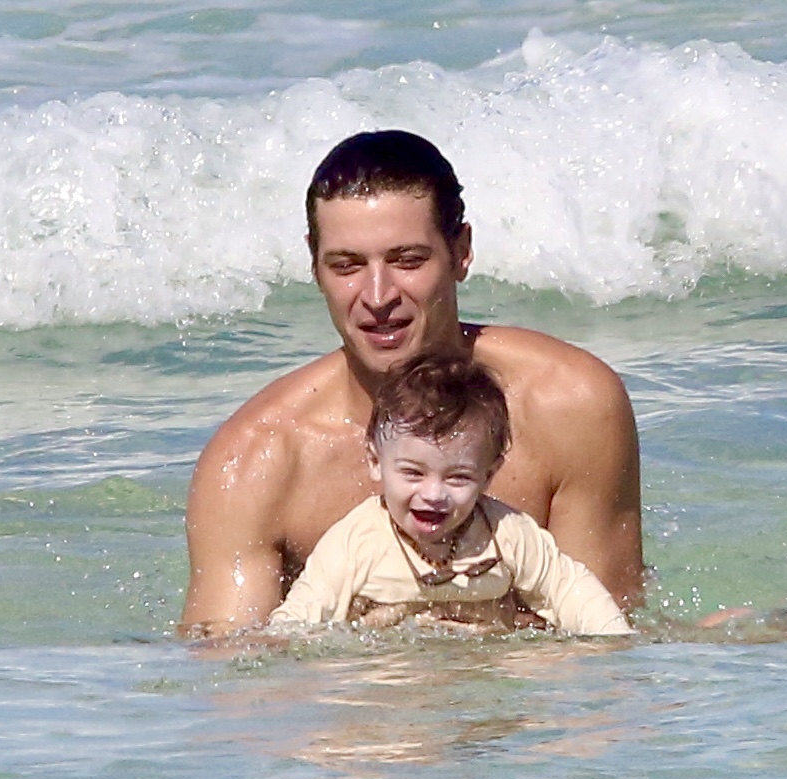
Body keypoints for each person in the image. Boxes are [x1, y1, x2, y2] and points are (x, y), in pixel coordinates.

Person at [180, 129, 642, 638]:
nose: (377, 295)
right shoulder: (257, 462)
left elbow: (607, 658)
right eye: (347, 265)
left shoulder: (570, 406)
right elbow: (231, 681)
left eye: (407, 261)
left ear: (461, 251)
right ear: (314, 264)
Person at [269, 351, 634, 635]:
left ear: (489, 474)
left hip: (484, 671)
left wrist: (613, 640)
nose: (433, 494)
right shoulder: (356, 542)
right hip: (387, 683)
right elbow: (303, 616)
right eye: (412, 473)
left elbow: (568, 588)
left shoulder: (506, 532)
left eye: (458, 478)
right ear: (375, 462)